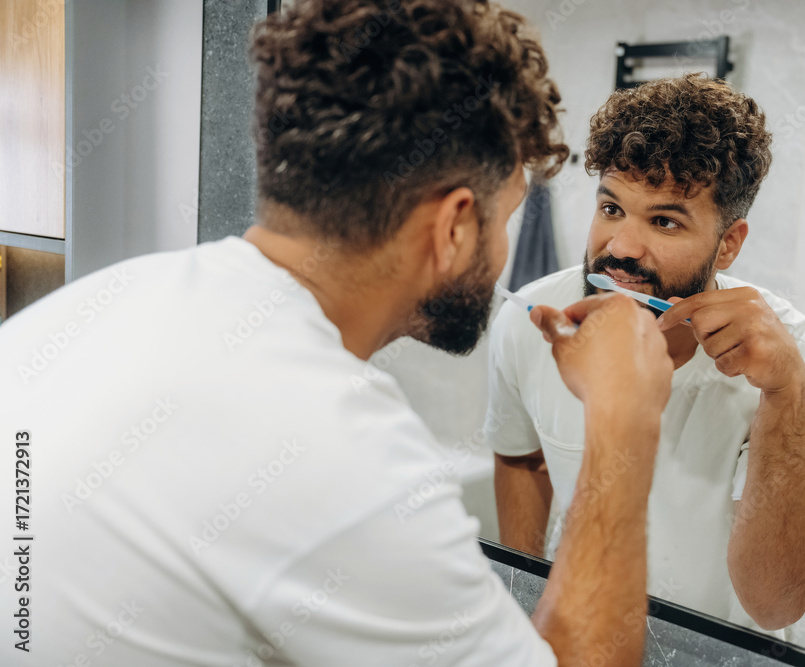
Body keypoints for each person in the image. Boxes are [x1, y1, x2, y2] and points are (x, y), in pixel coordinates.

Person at [0, 1, 675, 665]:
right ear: (454, 227)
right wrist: (623, 418)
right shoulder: (336, 441)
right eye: (504, 222)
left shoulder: (100, 302)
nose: (504, 254)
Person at [488, 73, 805, 635]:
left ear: (728, 242)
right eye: (610, 209)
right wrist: (526, 601)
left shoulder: (798, 364)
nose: (621, 249)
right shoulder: (527, 319)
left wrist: (785, 394)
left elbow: (777, 603)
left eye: (664, 221)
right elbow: (521, 457)